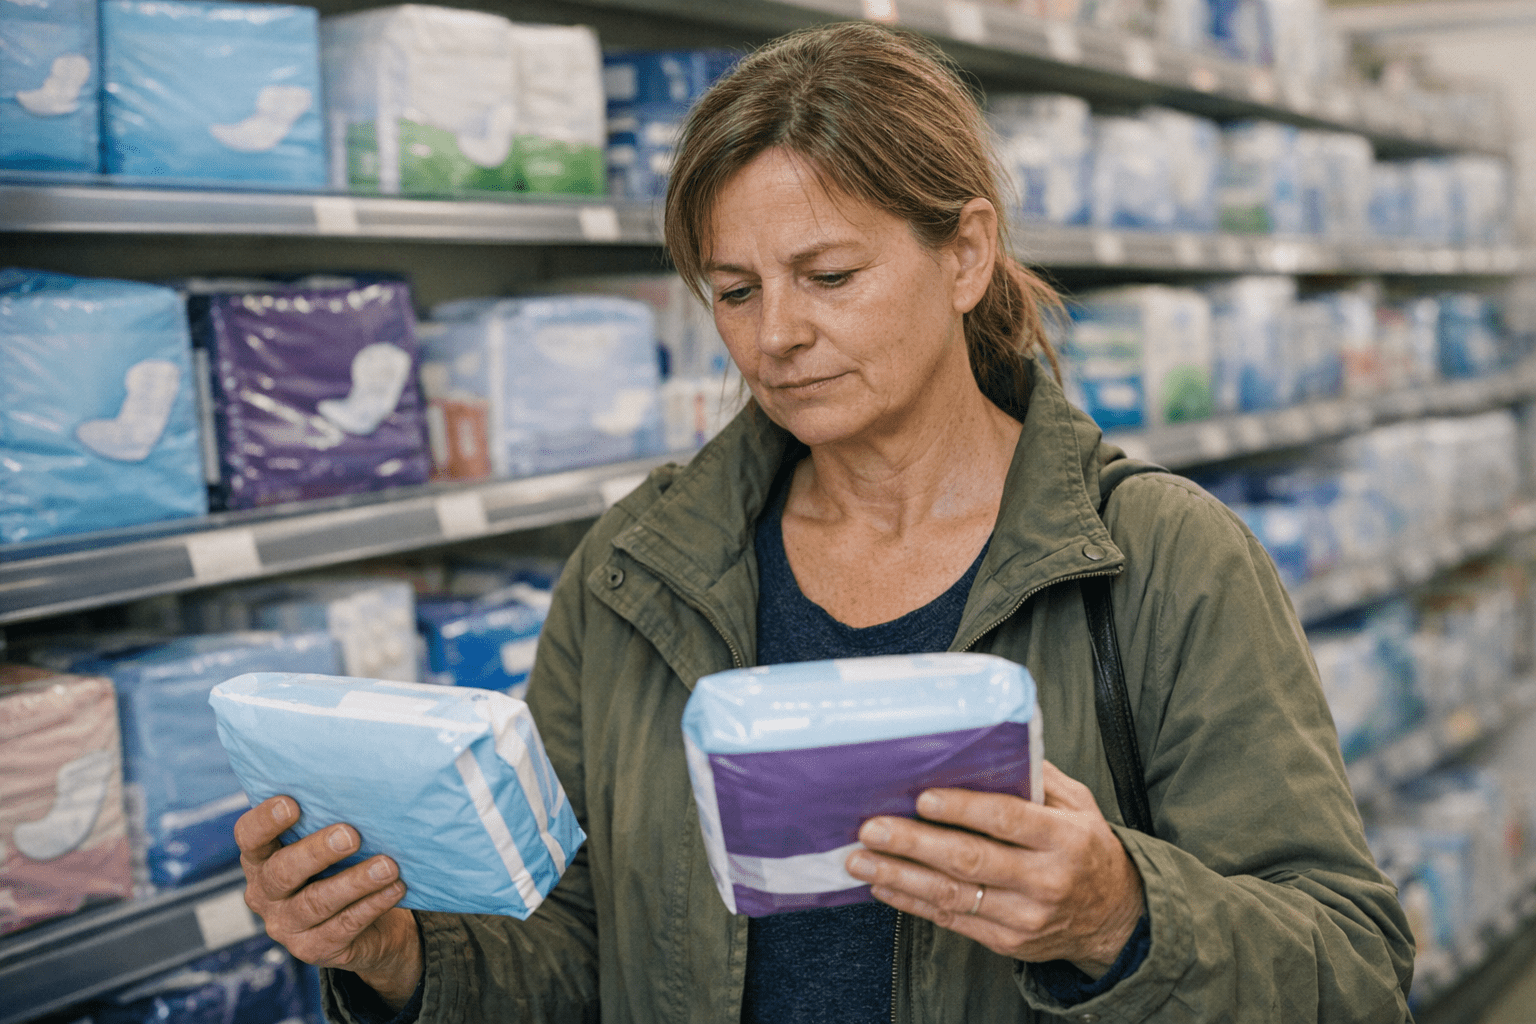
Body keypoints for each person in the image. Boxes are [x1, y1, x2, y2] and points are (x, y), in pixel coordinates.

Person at [235, 22, 1415, 1023]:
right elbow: (578, 942)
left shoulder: (1160, 561)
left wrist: (1121, 912)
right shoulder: (634, 574)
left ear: (965, 253)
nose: (775, 335)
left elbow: (1354, 964)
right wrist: (398, 959)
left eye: (830, 276)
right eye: (736, 292)